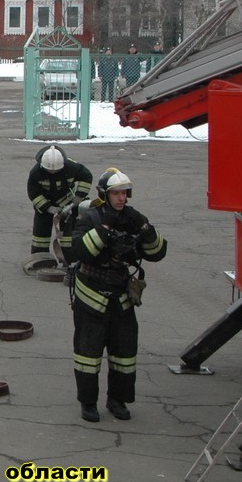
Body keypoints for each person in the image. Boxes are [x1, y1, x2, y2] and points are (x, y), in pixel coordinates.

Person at [69, 168, 166, 422]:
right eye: (116, 193)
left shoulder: (132, 218)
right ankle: (88, 403)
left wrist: (145, 228)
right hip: (91, 295)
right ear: (105, 194)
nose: (121, 198)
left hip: (122, 295)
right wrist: (104, 229)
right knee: (88, 354)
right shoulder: (90, 218)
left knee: (124, 354)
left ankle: (117, 400)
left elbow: (157, 252)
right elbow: (79, 251)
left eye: (124, 193)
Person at [26, 145, 92, 254]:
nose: (53, 173)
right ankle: (40, 257)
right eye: (49, 171)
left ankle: (69, 259)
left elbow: (87, 176)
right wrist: (47, 207)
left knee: (68, 234)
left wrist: (79, 196)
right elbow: (33, 193)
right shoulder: (36, 172)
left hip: (67, 203)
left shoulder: (72, 167)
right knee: (40, 235)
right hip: (44, 204)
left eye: (56, 171)